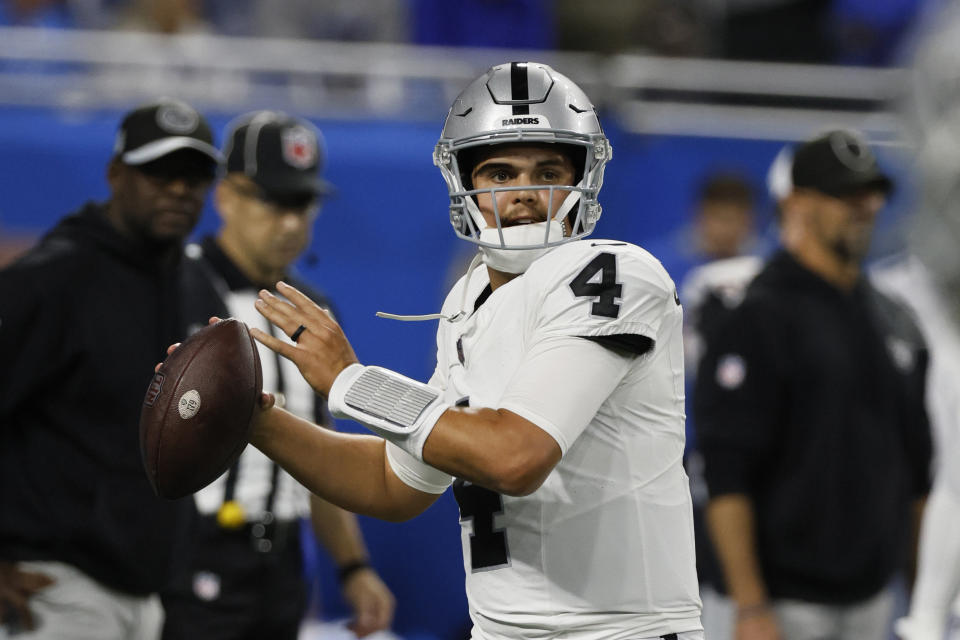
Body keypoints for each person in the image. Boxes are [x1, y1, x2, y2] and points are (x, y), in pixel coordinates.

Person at [171, 62, 704, 639]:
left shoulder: (614, 273)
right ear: (465, 185)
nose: (526, 194)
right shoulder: (471, 300)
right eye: (500, 174)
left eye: (548, 170)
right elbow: (391, 481)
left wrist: (353, 381)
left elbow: (514, 457)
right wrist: (256, 420)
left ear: (584, 180)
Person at [162, 111, 394, 639]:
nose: (290, 222)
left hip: (283, 561)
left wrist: (354, 567)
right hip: (184, 553)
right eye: (273, 200)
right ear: (226, 197)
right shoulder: (172, 286)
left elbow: (321, 454)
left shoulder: (311, 309)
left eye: (301, 203)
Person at [693, 129, 932, 640]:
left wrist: (922, 590)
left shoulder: (891, 318)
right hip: (780, 601)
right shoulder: (757, 316)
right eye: (845, 196)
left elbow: (915, 470)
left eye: (871, 194)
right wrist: (750, 605)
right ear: (797, 203)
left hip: (872, 598)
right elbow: (727, 472)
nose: (864, 207)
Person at [0, 98, 220, 639]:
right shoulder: (51, 278)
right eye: (158, 172)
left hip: (149, 594)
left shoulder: (193, 283)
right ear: (115, 174)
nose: (178, 188)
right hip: (53, 588)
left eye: (193, 175)